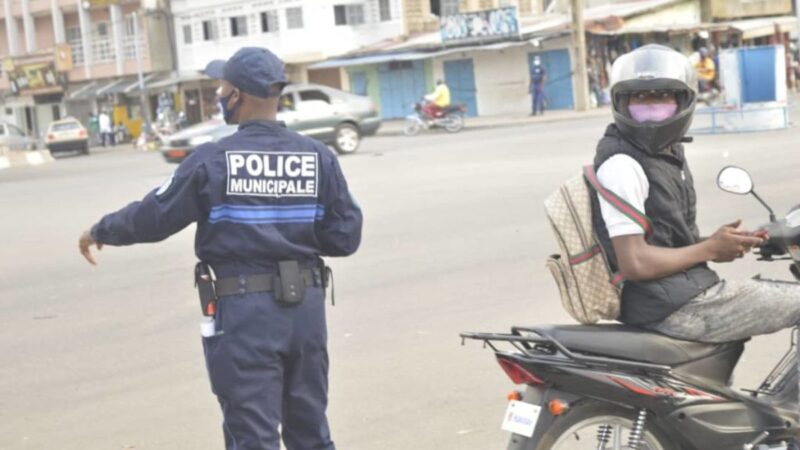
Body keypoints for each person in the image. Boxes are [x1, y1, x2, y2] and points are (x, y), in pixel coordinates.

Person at [78, 47, 363, 450]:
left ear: (238, 95)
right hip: (306, 312)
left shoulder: (213, 160)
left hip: (246, 314)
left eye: (222, 86)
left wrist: (100, 230)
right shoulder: (318, 156)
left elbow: (154, 216)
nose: (218, 93)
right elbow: (345, 237)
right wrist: (291, 228)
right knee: (311, 433)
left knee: (253, 436)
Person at [591, 44, 800, 345]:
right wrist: (710, 250)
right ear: (621, 102)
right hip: (676, 308)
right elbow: (634, 263)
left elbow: (662, 241)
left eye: (662, 96)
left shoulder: (662, 153)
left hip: (677, 294)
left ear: (683, 100)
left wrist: (715, 243)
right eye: (639, 97)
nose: (650, 106)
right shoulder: (623, 164)